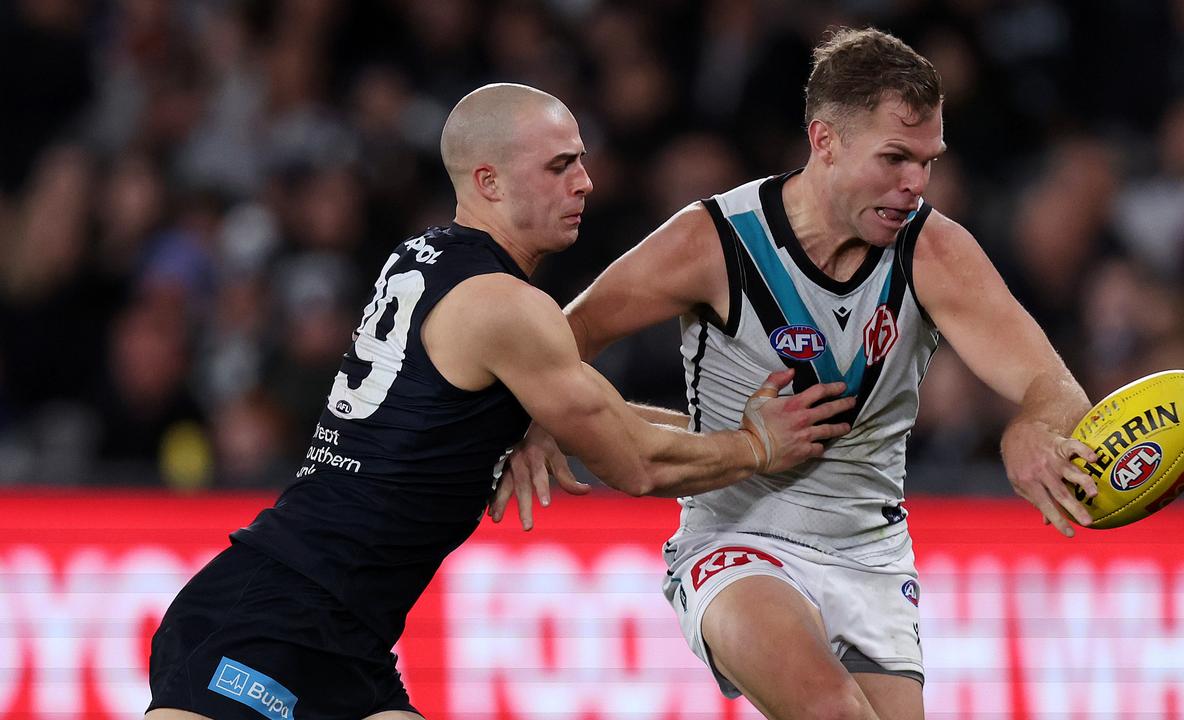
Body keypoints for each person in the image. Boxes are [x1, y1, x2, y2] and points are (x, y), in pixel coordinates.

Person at [145, 83, 854, 720]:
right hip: (269, 621)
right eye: (559, 166)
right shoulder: (504, 306)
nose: (586, 182)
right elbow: (636, 462)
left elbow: (601, 416)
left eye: (580, 161)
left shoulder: (424, 260)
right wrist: (757, 448)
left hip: (340, 639)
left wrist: (728, 432)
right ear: (487, 180)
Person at [493, 28, 1102, 720]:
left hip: (871, 557)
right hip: (739, 541)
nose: (916, 185)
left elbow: (1052, 384)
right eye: (895, 159)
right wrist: (540, 416)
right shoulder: (714, 242)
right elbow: (561, 340)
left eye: (927, 162)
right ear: (826, 143)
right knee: (831, 710)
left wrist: (1031, 427)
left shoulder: (934, 251)